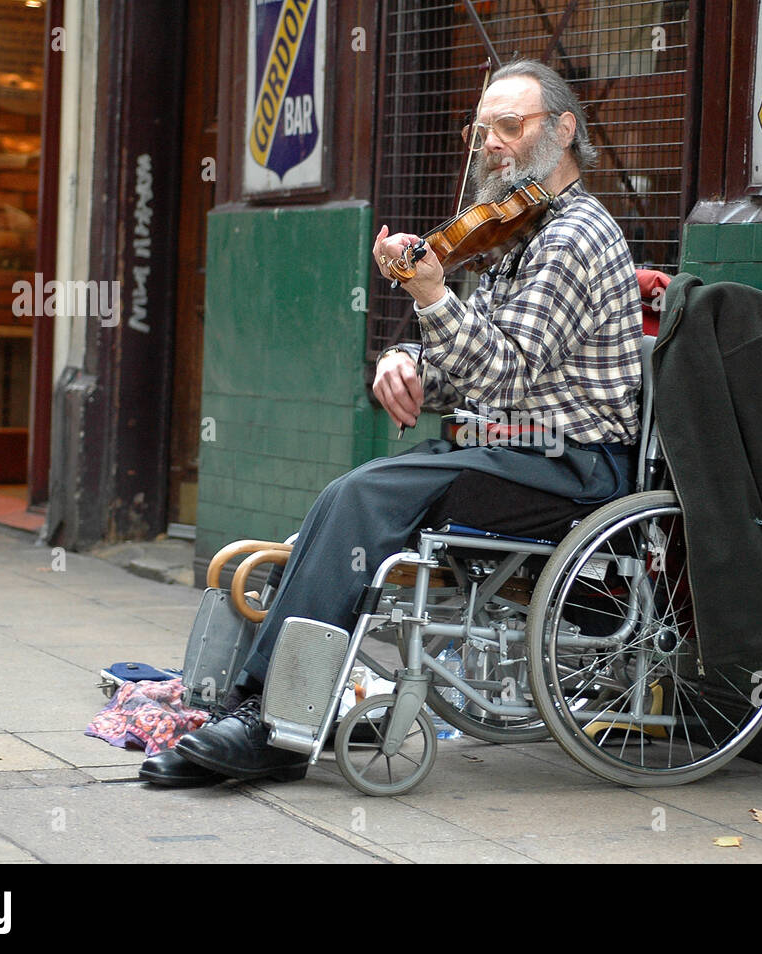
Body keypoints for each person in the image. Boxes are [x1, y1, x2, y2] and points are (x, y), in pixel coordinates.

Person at [140, 58, 644, 787]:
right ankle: (275, 705)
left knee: (362, 497)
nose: (491, 143)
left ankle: (269, 724)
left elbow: (501, 370)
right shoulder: (517, 235)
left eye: (511, 126)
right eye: (482, 129)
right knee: (348, 499)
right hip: (507, 450)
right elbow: (472, 358)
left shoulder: (573, 238)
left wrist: (433, 295)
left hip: (569, 464)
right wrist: (404, 358)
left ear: (563, 130)